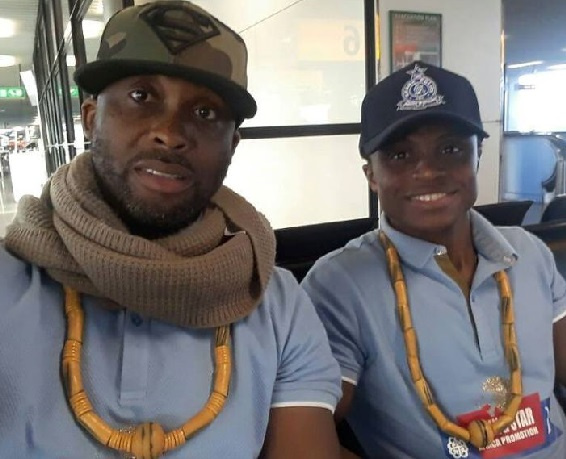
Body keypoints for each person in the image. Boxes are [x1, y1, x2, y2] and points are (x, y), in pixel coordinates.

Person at [0, 2, 342, 458]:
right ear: (90, 118)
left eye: (205, 114)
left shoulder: (274, 303)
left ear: (232, 146)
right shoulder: (10, 283)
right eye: (142, 96)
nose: (170, 133)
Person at [302, 61, 566, 458]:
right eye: (400, 155)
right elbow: (302, 430)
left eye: (451, 149)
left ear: (478, 156)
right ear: (371, 175)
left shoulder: (528, 254)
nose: (427, 171)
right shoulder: (340, 283)